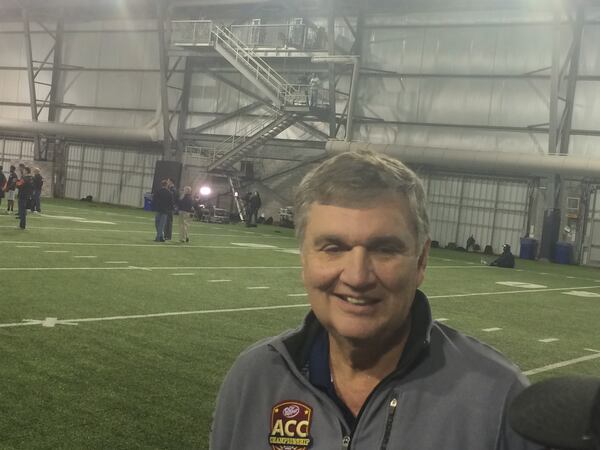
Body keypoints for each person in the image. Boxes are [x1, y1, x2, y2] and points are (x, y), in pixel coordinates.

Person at [210, 151, 544, 450]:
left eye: (385, 249)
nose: (357, 277)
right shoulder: (254, 380)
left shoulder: (498, 397)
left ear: (422, 260)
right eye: (333, 247)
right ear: (304, 259)